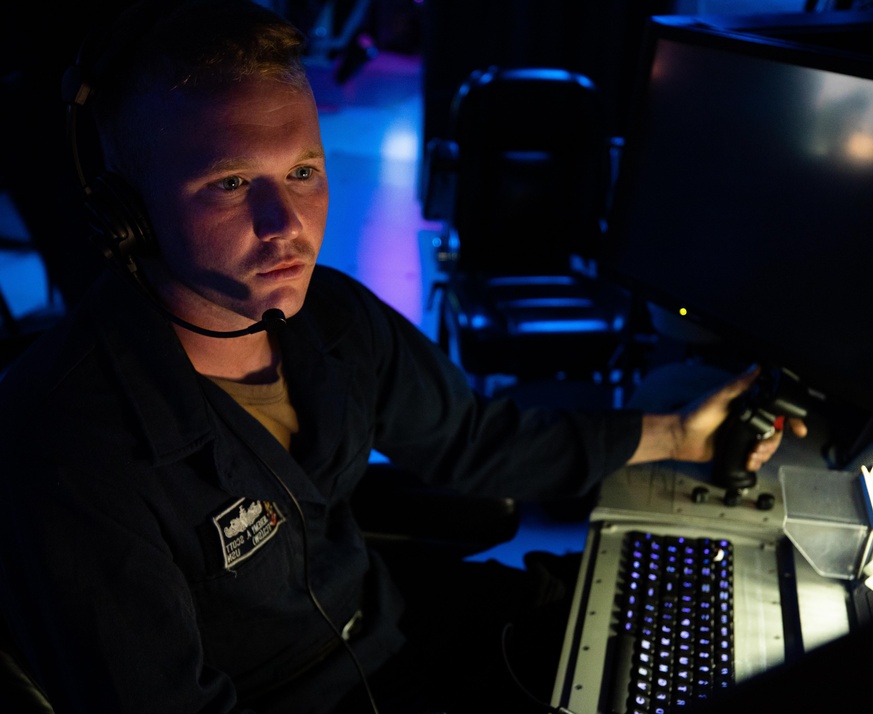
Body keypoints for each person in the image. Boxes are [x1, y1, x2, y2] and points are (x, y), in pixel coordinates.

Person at [0, 1, 805, 712]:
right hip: (302, 696)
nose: (287, 225)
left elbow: (476, 440)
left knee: (685, 637)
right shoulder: (69, 451)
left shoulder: (331, 318)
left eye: (304, 171)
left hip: (396, 622)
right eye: (231, 182)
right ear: (126, 212)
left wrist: (676, 436)